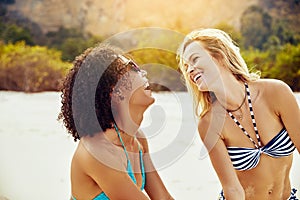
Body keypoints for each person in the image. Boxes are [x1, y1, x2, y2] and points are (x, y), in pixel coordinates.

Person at [177, 28, 300, 199]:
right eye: (186, 66)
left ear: (219, 56)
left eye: (194, 60)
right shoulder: (209, 123)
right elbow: (232, 189)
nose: (190, 70)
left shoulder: (276, 92)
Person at [58, 43, 174, 200]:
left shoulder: (137, 138)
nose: (142, 71)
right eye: (132, 67)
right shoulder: (97, 152)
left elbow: (163, 198)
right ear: (115, 90)